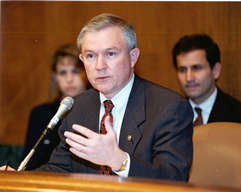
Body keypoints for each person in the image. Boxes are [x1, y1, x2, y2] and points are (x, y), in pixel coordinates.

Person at [3, 13, 193, 182]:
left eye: (110, 54)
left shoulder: (169, 107)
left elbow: (174, 178)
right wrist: (19, 178)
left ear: (133, 57)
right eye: (91, 56)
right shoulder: (77, 107)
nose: (99, 65)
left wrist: (118, 160)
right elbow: (59, 169)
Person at [22, 44, 90, 170]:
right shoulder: (40, 113)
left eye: (75, 71)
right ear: (55, 77)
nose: (69, 79)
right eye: (63, 73)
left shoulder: (100, 109)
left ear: (86, 73)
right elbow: (29, 163)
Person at [172, 34, 241, 126]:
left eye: (196, 68)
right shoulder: (170, 116)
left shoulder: (237, 115)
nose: (189, 78)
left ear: (215, 70)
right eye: (182, 70)